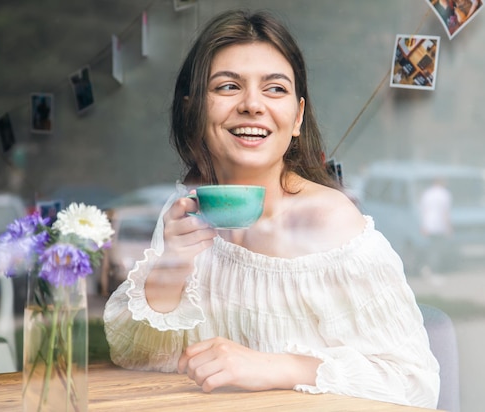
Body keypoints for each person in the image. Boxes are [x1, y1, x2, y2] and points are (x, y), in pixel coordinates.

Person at [103, 9, 439, 408]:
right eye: (228, 87)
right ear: (193, 110)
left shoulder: (332, 225)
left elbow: (415, 383)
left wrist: (275, 367)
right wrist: (170, 267)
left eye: (275, 89)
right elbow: (134, 356)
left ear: (296, 117)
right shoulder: (185, 215)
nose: (252, 105)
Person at [419, 178, 453, 274]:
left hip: (429, 225)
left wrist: (424, 226)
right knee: (437, 250)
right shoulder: (445, 194)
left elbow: (424, 210)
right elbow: (445, 212)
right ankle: (433, 270)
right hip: (439, 225)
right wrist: (448, 227)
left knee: (432, 248)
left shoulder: (427, 194)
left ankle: (428, 268)